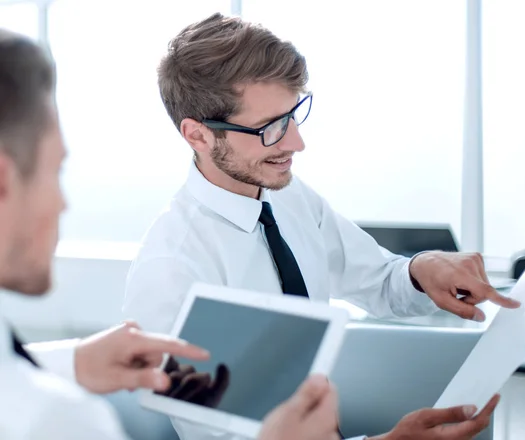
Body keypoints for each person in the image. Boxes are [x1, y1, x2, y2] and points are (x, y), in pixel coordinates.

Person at [123, 13, 516, 440]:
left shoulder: (289, 198)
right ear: (198, 135)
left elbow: (381, 281)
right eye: (268, 128)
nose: (295, 142)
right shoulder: (173, 269)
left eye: (292, 115)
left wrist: (422, 270)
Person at [0, 28, 340, 440]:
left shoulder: (293, 200)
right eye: (56, 172)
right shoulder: (56, 420)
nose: (63, 205)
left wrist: (69, 361)